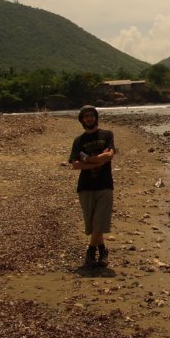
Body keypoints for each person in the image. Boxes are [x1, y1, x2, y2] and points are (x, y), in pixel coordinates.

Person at [69, 105, 115, 268]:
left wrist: (86, 159)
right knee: (91, 224)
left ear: (96, 117)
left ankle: (91, 252)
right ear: (81, 120)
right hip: (85, 186)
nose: (89, 118)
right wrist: (96, 160)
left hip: (105, 184)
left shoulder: (107, 135)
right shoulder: (78, 141)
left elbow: (109, 155)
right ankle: (102, 250)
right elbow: (75, 165)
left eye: (91, 115)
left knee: (100, 221)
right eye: (85, 116)